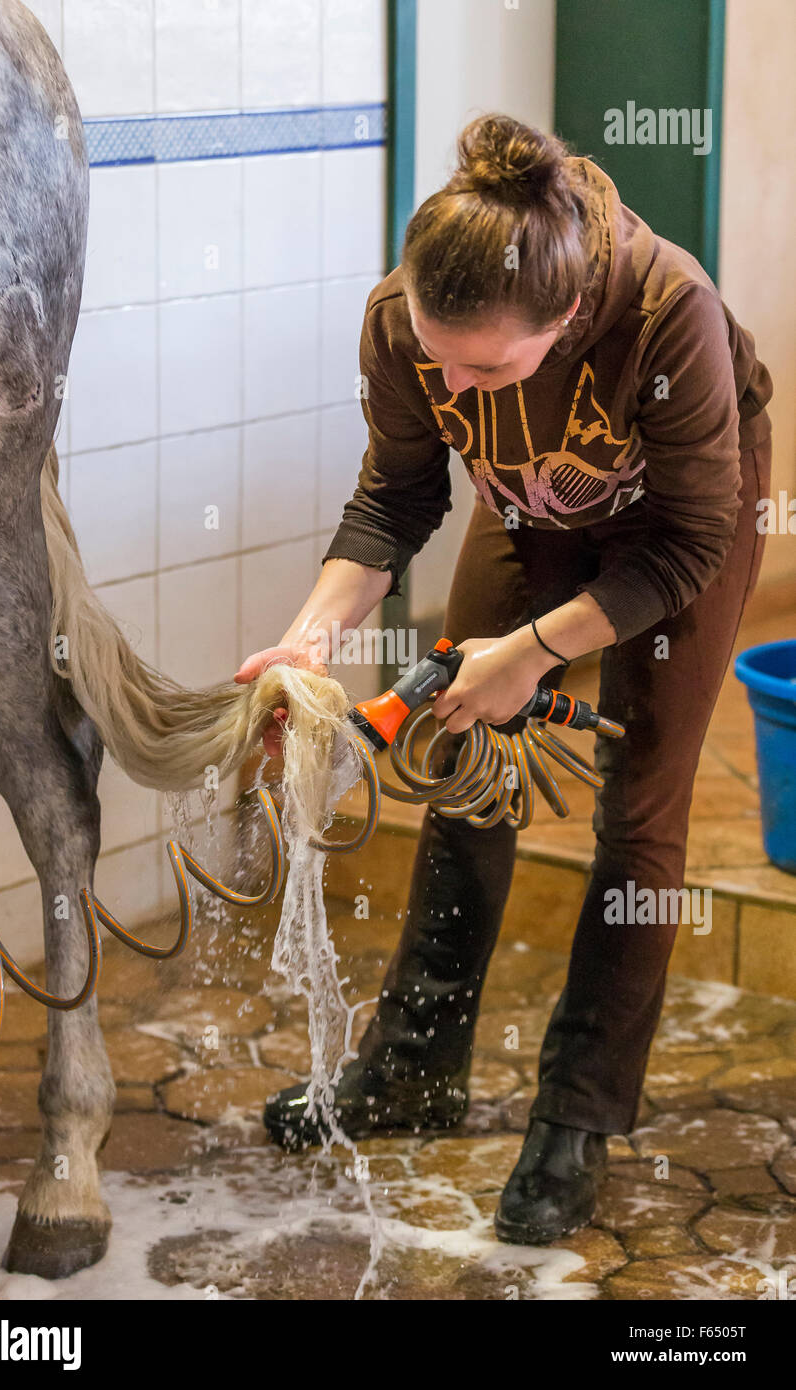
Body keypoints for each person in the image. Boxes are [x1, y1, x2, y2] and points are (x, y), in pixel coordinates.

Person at [234, 113, 773, 1245]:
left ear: (568, 319)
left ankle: (576, 1114)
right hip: (532, 503)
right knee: (455, 759)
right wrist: (306, 639)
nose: (452, 381)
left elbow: (685, 541)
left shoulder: (665, 313)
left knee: (641, 805)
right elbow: (395, 498)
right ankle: (413, 1066)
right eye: (439, 359)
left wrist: (531, 653)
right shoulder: (406, 318)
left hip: (678, 523)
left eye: (485, 368)